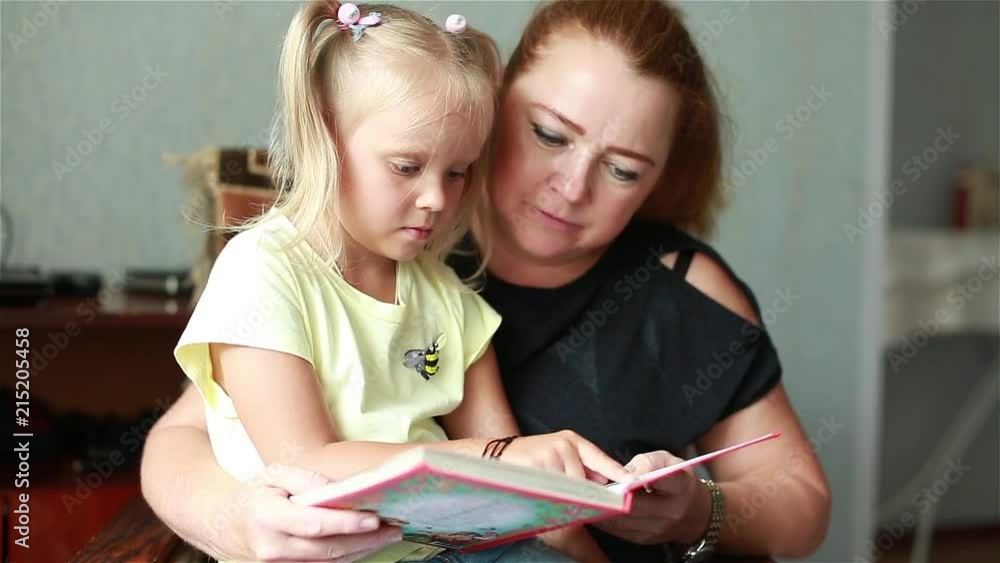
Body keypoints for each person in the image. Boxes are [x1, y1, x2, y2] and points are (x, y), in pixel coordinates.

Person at [142, 1, 832, 562]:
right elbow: (186, 437)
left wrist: (699, 511)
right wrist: (237, 521)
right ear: (497, 104)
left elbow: (802, 505)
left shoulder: (676, 289)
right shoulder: (374, 248)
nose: (571, 187)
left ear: (660, 179)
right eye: (549, 135)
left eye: (622, 170)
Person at [164, 1, 635, 561]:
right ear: (325, 135)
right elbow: (306, 465)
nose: (437, 198)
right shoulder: (260, 272)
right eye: (407, 167)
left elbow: (521, 487)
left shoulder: (446, 297)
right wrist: (491, 459)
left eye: (457, 172)